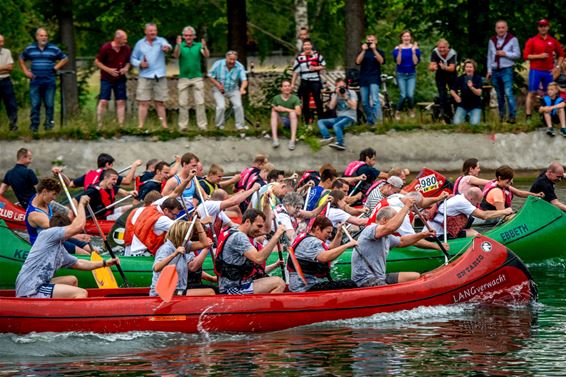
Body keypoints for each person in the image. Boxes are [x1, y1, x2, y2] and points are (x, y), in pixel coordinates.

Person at [15, 196, 120, 299]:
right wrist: (81, 204)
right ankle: (71, 315)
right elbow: (78, 227)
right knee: (81, 293)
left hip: (37, 283)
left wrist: (105, 263)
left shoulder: (60, 249)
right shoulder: (48, 234)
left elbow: (79, 263)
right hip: (31, 289)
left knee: (72, 280)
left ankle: (59, 310)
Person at [352, 203, 434, 288]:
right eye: (395, 219)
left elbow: (402, 241)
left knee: (415, 276)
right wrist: (406, 206)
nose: (399, 224)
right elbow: (390, 228)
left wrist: (423, 234)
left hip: (380, 277)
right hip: (365, 280)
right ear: (384, 220)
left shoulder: (387, 236)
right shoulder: (371, 229)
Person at [215, 209, 286, 294]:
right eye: (259, 226)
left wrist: (266, 205)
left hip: (235, 284)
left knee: (267, 279)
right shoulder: (239, 237)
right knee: (279, 283)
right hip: (233, 289)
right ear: (248, 221)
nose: (260, 231)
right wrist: (277, 235)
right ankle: (263, 307)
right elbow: (259, 258)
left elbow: (266, 230)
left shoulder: (233, 229)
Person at [288, 217, 358, 292]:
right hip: (305, 288)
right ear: (318, 229)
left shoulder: (307, 238)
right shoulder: (311, 242)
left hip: (301, 285)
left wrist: (339, 234)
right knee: (350, 284)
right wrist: (346, 245)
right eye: (328, 232)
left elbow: (330, 250)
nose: (330, 235)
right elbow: (325, 257)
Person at [24, 177, 91, 255]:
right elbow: (58, 231)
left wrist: (70, 213)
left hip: (56, 237)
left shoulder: (41, 198)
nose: (54, 198)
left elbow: (66, 211)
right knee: (86, 254)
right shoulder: (36, 215)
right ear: (44, 191)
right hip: (45, 245)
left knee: (93, 250)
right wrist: (81, 204)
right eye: (54, 194)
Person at [19, 28, 68, 132]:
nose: (44, 38)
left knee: (49, 104)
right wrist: (26, 71)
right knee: (35, 104)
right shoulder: (30, 48)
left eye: (45, 36)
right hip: (35, 81)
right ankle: (34, 127)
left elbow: (65, 58)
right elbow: (21, 58)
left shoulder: (53, 48)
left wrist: (56, 67)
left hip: (49, 80)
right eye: (41, 36)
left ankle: (49, 125)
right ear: (37, 37)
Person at [150, 219, 215, 297]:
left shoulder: (184, 245)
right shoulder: (166, 249)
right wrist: (174, 254)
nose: (190, 237)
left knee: (212, 290)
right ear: (182, 235)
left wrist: (197, 223)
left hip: (179, 289)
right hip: (166, 292)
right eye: (189, 235)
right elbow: (156, 268)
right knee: (210, 292)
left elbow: (204, 244)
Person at [130, 23, 172, 129]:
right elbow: (132, 59)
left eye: (155, 30)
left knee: (160, 102)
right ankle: (141, 126)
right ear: (146, 32)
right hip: (145, 76)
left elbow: (168, 46)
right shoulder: (139, 43)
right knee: (143, 102)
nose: (153, 32)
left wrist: (167, 48)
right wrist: (140, 64)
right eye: (151, 31)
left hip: (159, 75)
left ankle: (164, 126)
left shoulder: (161, 40)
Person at [428, 187, 513, 239]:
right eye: (477, 203)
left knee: (471, 230)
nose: (477, 205)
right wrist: (504, 211)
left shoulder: (459, 197)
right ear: (471, 199)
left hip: (437, 231)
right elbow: (484, 216)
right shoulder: (462, 202)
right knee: (475, 234)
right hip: (437, 236)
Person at [523, 19, 564, 123]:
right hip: (535, 70)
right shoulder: (532, 40)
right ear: (538, 28)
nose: (543, 28)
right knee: (532, 92)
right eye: (541, 26)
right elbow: (525, 56)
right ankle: (528, 116)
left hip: (548, 71)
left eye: (545, 26)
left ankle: (551, 116)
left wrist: (558, 67)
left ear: (548, 27)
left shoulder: (553, 40)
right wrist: (539, 56)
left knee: (550, 93)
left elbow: (562, 54)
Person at [173, 26, 209, 131]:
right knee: (183, 103)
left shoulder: (198, 45)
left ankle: (202, 126)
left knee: (200, 102)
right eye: (186, 35)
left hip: (197, 77)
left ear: (194, 36)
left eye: (190, 35)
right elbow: (175, 55)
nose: (188, 37)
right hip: (183, 78)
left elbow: (206, 55)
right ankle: (183, 126)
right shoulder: (180, 45)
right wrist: (178, 45)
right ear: (183, 36)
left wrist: (205, 46)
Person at [95, 30, 131, 128]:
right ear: (117, 38)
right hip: (106, 78)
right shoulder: (106, 48)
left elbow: (128, 61)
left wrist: (126, 68)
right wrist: (109, 70)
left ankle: (120, 125)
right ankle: (100, 125)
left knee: (121, 101)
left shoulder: (126, 49)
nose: (126, 41)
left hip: (120, 78)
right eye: (124, 39)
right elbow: (97, 62)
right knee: (103, 101)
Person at [486, 20, 520, 124]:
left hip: (506, 69)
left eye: (503, 27)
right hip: (495, 71)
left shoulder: (513, 39)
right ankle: (501, 117)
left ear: (506, 28)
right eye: (498, 28)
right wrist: (489, 70)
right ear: (495, 29)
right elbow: (490, 56)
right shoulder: (492, 40)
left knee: (508, 93)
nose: (501, 29)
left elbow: (517, 54)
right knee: (499, 95)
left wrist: (506, 54)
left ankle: (512, 116)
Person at [208, 50, 248, 131]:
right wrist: (218, 85)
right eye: (230, 59)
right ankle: (219, 127)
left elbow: (244, 80)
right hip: (219, 89)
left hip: (233, 89)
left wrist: (242, 88)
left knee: (238, 106)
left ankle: (240, 126)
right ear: (226, 58)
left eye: (234, 60)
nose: (232, 61)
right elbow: (210, 75)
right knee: (221, 107)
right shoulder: (218, 64)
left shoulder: (239, 66)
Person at [291, 39, 326, 125]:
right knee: (305, 102)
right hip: (304, 81)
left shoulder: (317, 55)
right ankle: (306, 122)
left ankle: (321, 121)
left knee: (318, 101)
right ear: (303, 47)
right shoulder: (299, 58)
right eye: (305, 45)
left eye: (308, 45)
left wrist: (315, 68)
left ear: (311, 46)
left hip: (315, 81)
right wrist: (292, 83)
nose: (306, 46)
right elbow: (295, 72)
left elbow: (324, 66)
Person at [317, 78, 357, 151]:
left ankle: (341, 143)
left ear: (345, 85)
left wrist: (345, 97)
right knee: (320, 121)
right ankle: (327, 137)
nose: (342, 88)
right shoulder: (335, 94)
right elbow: (331, 107)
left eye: (343, 86)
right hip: (339, 118)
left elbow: (354, 107)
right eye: (339, 87)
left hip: (349, 118)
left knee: (336, 125)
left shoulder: (351, 93)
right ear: (336, 87)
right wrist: (336, 94)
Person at [355, 34, 385, 126]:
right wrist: (363, 50)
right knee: (364, 102)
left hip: (374, 78)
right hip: (363, 78)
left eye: (372, 40)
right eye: (368, 40)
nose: (370, 42)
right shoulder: (363, 51)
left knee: (375, 100)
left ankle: (379, 122)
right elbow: (357, 62)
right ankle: (370, 119)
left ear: (375, 41)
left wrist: (374, 50)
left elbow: (382, 61)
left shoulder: (379, 51)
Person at [68, 153, 141, 190]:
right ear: (107, 164)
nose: (112, 167)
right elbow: (127, 181)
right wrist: (134, 166)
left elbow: (71, 184)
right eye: (112, 165)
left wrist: (61, 174)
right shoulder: (108, 175)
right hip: (100, 211)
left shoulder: (89, 174)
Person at [393, 30, 420, 119]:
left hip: (411, 74)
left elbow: (415, 62)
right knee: (403, 95)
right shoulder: (397, 49)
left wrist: (413, 51)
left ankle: (411, 109)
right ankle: (397, 112)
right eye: (404, 36)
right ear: (401, 38)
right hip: (401, 74)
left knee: (410, 95)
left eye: (408, 36)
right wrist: (400, 52)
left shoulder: (415, 48)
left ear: (410, 38)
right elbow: (398, 62)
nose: (406, 38)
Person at [429, 38, 457, 123]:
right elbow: (431, 66)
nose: (442, 49)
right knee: (442, 94)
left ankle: (457, 114)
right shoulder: (435, 52)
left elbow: (452, 68)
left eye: (444, 47)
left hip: (451, 75)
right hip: (440, 75)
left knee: (453, 94)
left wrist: (445, 67)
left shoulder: (452, 53)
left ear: (447, 47)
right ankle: (445, 115)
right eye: (440, 48)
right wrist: (433, 68)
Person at [271, 79, 301, 150]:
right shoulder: (276, 98)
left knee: (293, 113)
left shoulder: (295, 98)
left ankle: (292, 140)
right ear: (281, 88)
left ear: (291, 88)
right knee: (273, 113)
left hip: (290, 120)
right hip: (280, 120)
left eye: (288, 86)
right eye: (285, 86)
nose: (287, 88)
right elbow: (273, 110)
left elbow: (298, 112)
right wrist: (277, 109)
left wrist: (285, 109)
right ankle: (275, 139)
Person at [450, 59, 483, 125]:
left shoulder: (478, 78)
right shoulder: (460, 78)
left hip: (475, 105)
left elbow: (479, 93)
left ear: (474, 69)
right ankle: (465, 118)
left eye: (470, 67)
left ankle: (470, 118)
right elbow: (452, 90)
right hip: (463, 105)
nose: (469, 69)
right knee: (456, 123)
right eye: (467, 67)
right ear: (464, 68)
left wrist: (471, 87)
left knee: (475, 125)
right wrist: (456, 96)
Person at [0, 34, 18, 130]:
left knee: (11, 104)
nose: (2, 44)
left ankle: (13, 124)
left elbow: (10, 68)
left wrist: (3, 68)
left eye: (3, 41)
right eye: (0, 42)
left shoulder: (7, 52)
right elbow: (6, 67)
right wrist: (4, 68)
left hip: (6, 80)